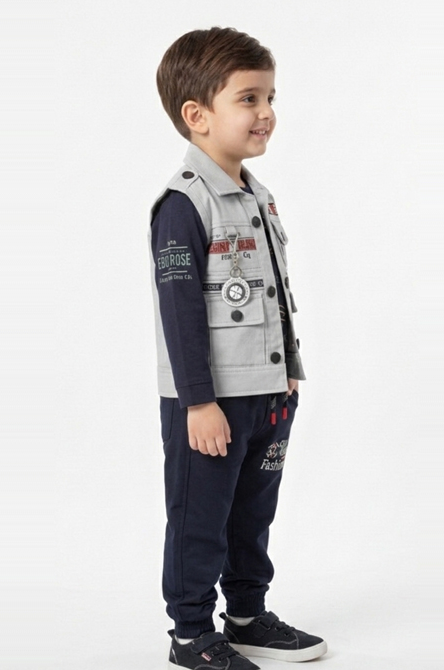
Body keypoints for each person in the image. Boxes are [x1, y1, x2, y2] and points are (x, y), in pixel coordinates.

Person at [148, 26, 327, 670]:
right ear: (197, 115)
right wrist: (198, 403)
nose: (266, 112)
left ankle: (247, 616)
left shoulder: (259, 197)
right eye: (248, 98)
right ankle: (191, 635)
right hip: (210, 403)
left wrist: (290, 373)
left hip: (268, 395)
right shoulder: (183, 205)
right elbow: (181, 314)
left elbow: (275, 291)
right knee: (201, 517)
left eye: (270, 97)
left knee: (252, 513)